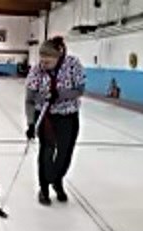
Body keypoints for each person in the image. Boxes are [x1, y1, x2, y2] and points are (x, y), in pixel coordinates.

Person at [25, 36, 85, 205]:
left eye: (48, 62)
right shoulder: (37, 71)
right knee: (47, 151)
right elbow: (29, 99)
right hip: (45, 117)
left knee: (64, 154)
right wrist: (30, 123)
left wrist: (60, 94)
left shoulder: (73, 65)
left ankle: (57, 181)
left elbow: (80, 90)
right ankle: (44, 189)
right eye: (42, 61)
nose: (44, 65)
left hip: (67, 116)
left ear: (59, 57)